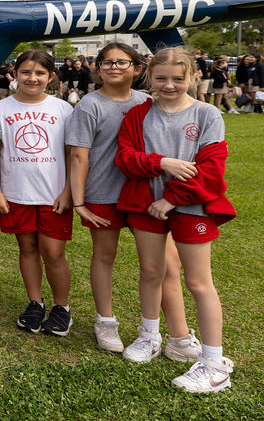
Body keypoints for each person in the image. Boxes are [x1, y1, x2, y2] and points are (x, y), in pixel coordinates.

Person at [116, 47, 236, 392]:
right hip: (146, 205)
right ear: (149, 77)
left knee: (199, 283)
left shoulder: (207, 114)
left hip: (189, 207)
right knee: (152, 272)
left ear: (193, 77)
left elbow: (210, 172)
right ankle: (151, 336)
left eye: (178, 79)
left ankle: (213, 364)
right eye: (161, 78)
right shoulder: (138, 115)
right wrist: (162, 163)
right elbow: (126, 159)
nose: (169, 85)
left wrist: (171, 199)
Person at [68, 43, 199, 358]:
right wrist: (79, 201)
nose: (114, 68)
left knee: (165, 264)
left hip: (147, 195)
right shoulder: (89, 105)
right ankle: (105, 320)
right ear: (97, 68)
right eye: (107, 62)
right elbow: (78, 157)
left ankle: (178, 334)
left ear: (139, 69)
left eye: (122, 62)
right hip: (103, 194)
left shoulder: (149, 101)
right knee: (105, 256)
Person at [0, 50, 74, 335]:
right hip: (17, 192)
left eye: (40, 73)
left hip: (54, 195)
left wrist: (68, 191)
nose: (32, 78)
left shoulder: (63, 109)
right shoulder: (2, 108)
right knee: (27, 249)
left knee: (53, 252)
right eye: (26, 72)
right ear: (16, 74)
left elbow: (73, 154)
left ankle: (62, 308)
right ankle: (35, 303)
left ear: (51, 76)